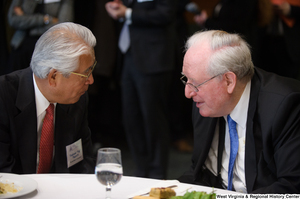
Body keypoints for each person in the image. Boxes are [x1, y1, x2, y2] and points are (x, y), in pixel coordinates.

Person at [178, 30, 300, 193]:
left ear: (229, 81)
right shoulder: (204, 101)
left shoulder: (285, 106)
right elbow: (201, 172)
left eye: (195, 83)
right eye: (186, 79)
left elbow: (292, 188)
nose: (188, 93)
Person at [0, 22, 96, 174]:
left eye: (91, 69)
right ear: (53, 77)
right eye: (85, 73)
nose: (90, 80)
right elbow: (4, 174)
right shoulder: (4, 97)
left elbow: (83, 161)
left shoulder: (77, 100)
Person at [105, 0, 177, 179]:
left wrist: (127, 13)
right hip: (129, 56)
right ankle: (141, 169)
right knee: (131, 117)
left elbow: (166, 13)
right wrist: (115, 8)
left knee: (153, 117)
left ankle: (157, 172)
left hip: (153, 59)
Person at [6, 0, 74, 74]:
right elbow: (13, 20)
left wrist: (26, 21)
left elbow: (63, 25)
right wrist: (46, 19)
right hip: (21, 45)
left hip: (48, 49)